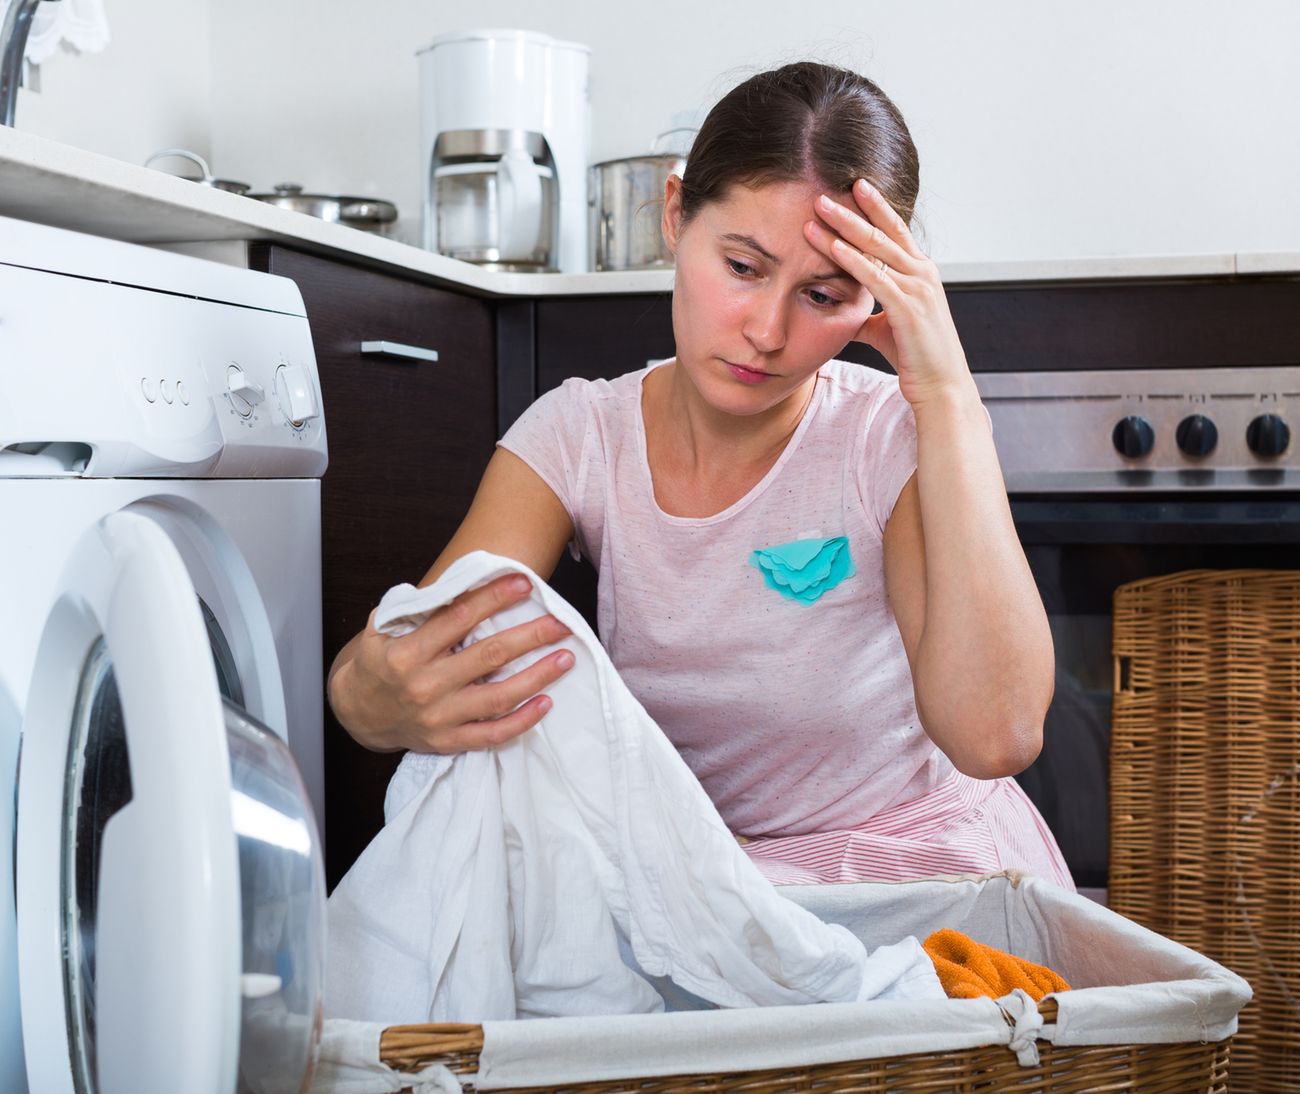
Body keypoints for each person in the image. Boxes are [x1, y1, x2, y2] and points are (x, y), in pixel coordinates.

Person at [327, 61, 1073, 889]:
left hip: (907, 872)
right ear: (677, 215)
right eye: (744, 268)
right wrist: (370, 696)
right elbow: (389, 673)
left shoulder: (884, 435)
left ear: (876, 301)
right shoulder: (581, 436)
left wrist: (948, 396)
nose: (766, 330)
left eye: (824, 295)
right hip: (701, 887)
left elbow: (996, 737)